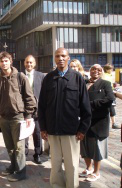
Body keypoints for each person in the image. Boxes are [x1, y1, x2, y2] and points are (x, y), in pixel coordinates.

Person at [38, 48, 92, 188]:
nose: (60, 58)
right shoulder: (49, 78)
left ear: (68, 58)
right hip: (53, 130)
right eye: (57, 56)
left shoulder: (77, 78)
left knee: (72, 165)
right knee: (55, 165)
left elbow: (86, 106)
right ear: (54, 59)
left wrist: (83, 129)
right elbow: (42, 105)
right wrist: (43, 128)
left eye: (63, 56)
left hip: (71, 131)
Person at [0, 52, 36, 182]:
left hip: (18, 117)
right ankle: (13, 166)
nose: (4, 63)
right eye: (1, 61)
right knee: (9, 146)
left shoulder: (20, 76)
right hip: (4, 118)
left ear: (10, 61)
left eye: (6, 61)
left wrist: (28, 115)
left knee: (19, 147)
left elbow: (29, 97)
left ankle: (21, 172)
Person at [80, 64, 114, 182]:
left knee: (96, 149)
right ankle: (89, 168)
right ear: (90, 71)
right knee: (85, 147)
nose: (96, 71)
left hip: (98, 121)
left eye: (99, 70)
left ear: (102, 72)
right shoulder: (84, 83)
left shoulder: (105, 84)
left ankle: (96, 172)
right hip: (85, 121)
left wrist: (92, 104)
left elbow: (110, 99)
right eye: (93, 69)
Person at [23, 55, 44, 164]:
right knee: (25, 133)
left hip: (38, 110)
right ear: (24, 63)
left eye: (31, 62)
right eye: (27, 62)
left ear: (34, 64)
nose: (29, 64)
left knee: (37, 133)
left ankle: (37, 154)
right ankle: (24, 154)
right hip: (24, 110)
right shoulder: (20, 76)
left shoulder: (40, 76)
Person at [103, 63, 120, 129]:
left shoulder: (109, 75)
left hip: (110, 92)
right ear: (106, 69)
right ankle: (113, 123)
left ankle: (113, 123)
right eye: (110, 69)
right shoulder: (105, 76)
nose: (112, 70)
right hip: (108, 94)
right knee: (111, 107)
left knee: (111, 107)